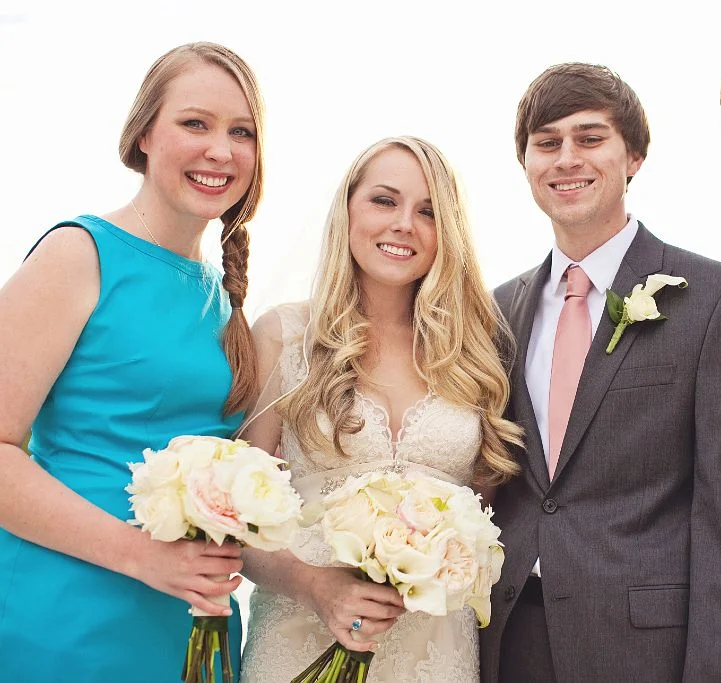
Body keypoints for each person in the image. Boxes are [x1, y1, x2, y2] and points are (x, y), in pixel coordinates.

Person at [479, 62, 721, 683]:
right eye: (547, 143)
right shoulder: (498, 310)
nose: (567, 158)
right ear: (525, 162)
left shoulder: (715, 299)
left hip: (645, 649)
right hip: (509, 640)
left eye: (590, 139)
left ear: (633, 156)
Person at [0, 42, 265, 680]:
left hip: (191, 626)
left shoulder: (225, 298)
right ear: (143, 135)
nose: (221, 151)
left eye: (242, 132)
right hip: (70, 618)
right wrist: (140, 555)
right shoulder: (78, 254)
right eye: (195, 123)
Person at [238, 136, 522, 683]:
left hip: (437, 651)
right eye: (384, 201)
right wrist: (315, 586)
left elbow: (485, 524)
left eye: (427, 212)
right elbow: (238, 520)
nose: (403, 224)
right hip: (298, 638)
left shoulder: (476, 354)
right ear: (347, 209)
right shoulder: (284, 336)